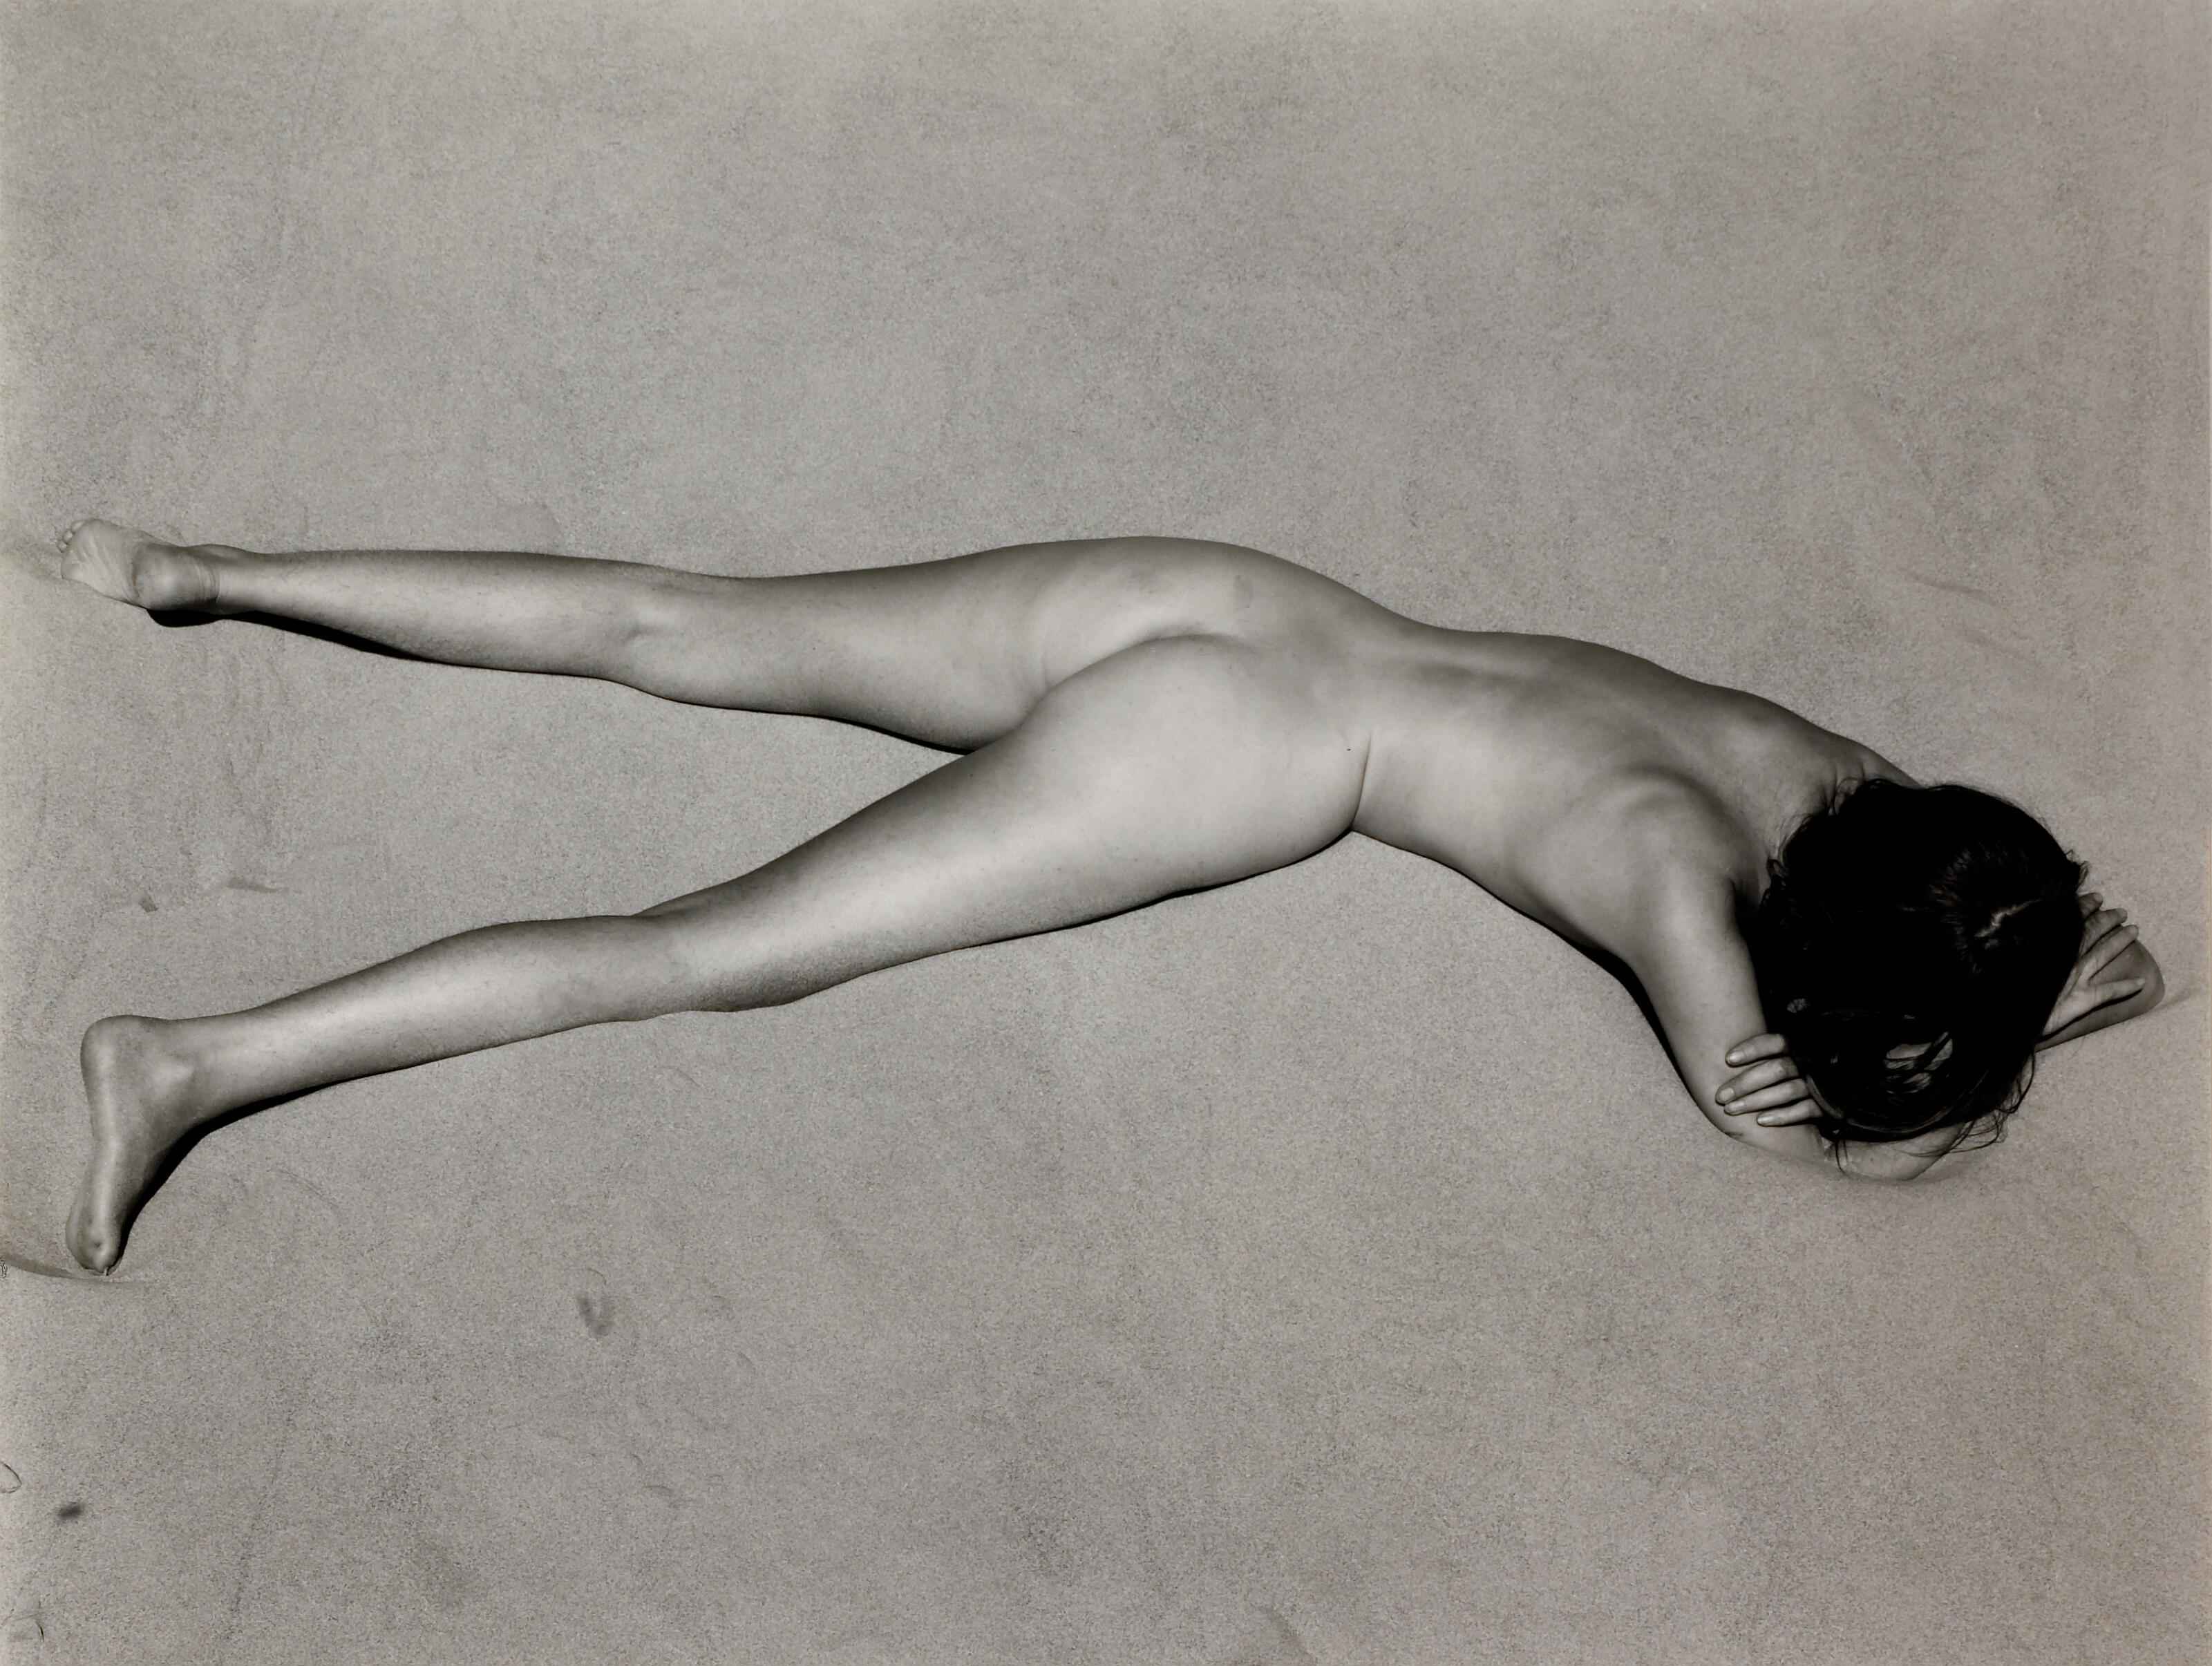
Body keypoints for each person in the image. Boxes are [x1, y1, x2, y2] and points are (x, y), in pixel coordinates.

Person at [51, 521, 2164, 1272]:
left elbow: (2025, 904)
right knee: (702, 952)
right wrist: (1968, 1056)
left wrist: (2040, 952)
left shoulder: (1820, 766)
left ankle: (203, 568)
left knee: (675, 620)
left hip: (1241, 596)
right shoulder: (1677, 884)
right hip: (1247, 749)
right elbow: (1776, 1116)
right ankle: (191, 1061)